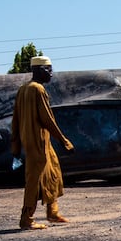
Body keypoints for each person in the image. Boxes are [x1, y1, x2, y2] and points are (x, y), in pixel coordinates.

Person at [11, 54, 74, 230]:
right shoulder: (37, 89)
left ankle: (52, 212)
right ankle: (27, 219)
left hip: (39, 142)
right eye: (49, 70)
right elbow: (47, 118)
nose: (52, 74)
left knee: (53, 172)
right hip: (37, 142)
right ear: (40, 70)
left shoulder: (23, 89)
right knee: (34, 180)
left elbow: (14, 119)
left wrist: (15, 145)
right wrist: (63, 140)